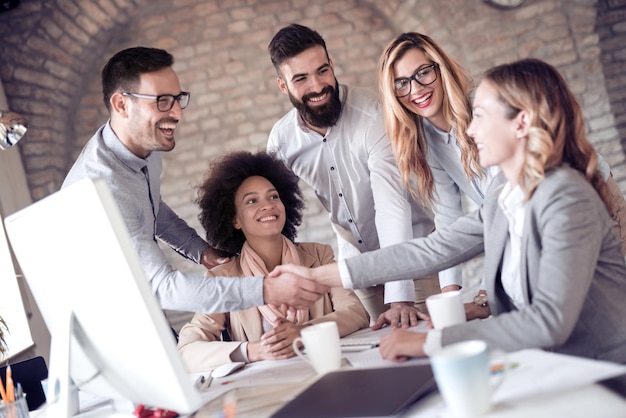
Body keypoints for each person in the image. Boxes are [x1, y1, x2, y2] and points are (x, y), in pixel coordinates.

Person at [271, 58, 626, 364]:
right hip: (544, 363)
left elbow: (549, 319)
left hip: (600, 370)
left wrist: (431, 341)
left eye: (482, 116)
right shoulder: (506, 196)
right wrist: (318, 278)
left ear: (521, 123)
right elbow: (432, 249)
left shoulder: (567, 198)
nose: (469, 130)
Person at [62, 46, 329, 314]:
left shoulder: (142, 147)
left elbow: (150, 209)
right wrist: (267, 289)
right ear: (121, 105)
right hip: (107, 321)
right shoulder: (103, 188)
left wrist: (200, 251)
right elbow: (164, 288)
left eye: (178, 99)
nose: (178, 113)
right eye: (163, 101)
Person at [378, 32, 626, 317]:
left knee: (593, 310)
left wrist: (484, 297)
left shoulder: (482, 106)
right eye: (401, 83)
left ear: (440, 68)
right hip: (533, 219)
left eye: (423, 72)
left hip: (588, 200)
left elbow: (507, 207)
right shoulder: (426, 138)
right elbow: (448, 217)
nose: (415, 89)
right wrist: (451, 299)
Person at [266, 24, 439, 328]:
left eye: (322, 71)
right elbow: (276, 214)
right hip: (356, 265)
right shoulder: (282, 142)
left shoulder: (373, 115)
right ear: (283, 85)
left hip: (411, 255)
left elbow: (390, 205)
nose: (318, 85)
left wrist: (400, 297)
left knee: (429, 339)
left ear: (332, 66)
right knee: (380, 348)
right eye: (301, 79)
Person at [177, 151, 369, 371]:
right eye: (252, 201)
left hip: (327, 369)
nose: (268, 205)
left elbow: (356, 313)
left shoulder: (319, 255)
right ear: (235, 219)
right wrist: (255, 350)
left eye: (273, 196)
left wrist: (302, 333)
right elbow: (187, 350)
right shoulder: (222, 277)